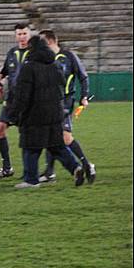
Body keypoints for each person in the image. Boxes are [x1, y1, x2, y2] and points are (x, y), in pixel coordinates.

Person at [5, 35, 85, 189]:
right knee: (57, 146)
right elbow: (62, 85)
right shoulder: (54, 65)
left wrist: (13, 115)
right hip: (55, 113)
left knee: (30, 147)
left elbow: (23, 95)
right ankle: (76, 167)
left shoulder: (28, 67)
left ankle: (31, 180)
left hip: (34, 115)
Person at [39, 29, 96, 184]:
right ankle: (49, 172)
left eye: (42, 41)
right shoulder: (45, 59)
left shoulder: (68, 56)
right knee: (51, 136)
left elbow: (83, 76)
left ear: (50, 41)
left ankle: (86, 164)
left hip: (65, 102)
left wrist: (84, 96)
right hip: (49, 103)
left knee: (65, 136)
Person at [0, 23, 31, 179]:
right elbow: (3, 73)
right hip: (11, 100)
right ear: (15, 36)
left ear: (29, 34)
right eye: (19, 34)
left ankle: (29, 170)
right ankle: (7, 167)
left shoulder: (34, 53)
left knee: (25, 135)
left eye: (24, 33)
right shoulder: (11, 53)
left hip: (27, 101)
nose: (22, 37)